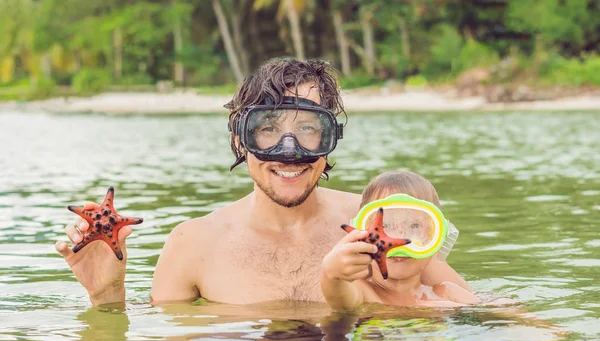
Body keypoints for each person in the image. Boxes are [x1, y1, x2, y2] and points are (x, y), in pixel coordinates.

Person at [55, 58, 470, 306]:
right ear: (240, 137)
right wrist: (106, 294)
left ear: (331, 140)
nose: (289, 151)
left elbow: (465, 305)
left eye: (309, 128)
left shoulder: (376, 222)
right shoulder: (193, 244)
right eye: (267, 128)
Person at [321, 170, 479, 311]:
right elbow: (338, 297)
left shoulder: (446, 293)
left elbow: (496, 314)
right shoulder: (363, 293)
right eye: (384, 226)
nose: (397, 240)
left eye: (414, 226)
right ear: (361, 234)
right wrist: (331, 275)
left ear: (437, 237)